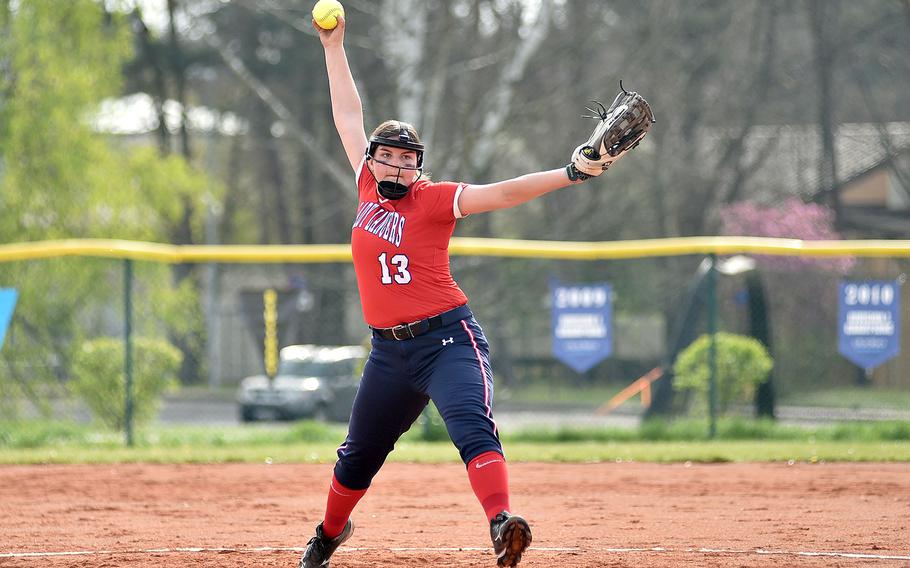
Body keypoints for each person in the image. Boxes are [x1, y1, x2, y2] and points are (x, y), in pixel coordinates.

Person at [302, 13, 623, 568]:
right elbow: (347, 113)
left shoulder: (432, 199)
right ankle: (328, 534)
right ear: (372, 161)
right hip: (388, 352)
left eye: (409, 159)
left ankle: (502, 524)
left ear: (418, 167)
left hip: (449, 341)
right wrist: (335, 47)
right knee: (357, 460)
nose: (399, 166)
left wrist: (570, 172)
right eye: (389, 157)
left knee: (471, 425)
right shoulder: (365, 186)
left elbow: (500, 194)